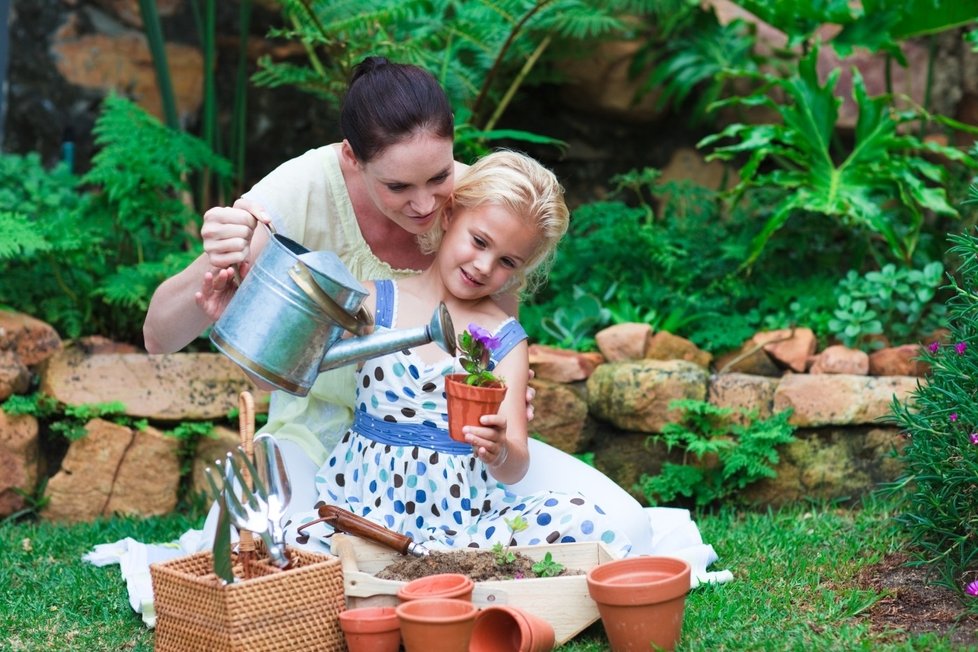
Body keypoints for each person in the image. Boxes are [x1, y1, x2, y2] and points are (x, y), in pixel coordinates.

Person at [142, 56, 703, 560]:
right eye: (398, 186)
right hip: (319, 441)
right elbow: (179, 342)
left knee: (627, 529)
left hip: (451, 470)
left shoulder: (481, 206)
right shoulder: (304, 190)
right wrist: (222, 280)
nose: (425, 204)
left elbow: (495, 345)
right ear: (352, 160)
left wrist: (503, 406)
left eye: (439, 177)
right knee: (257, 544)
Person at [287, 150, 632, 557]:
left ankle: (442, 570)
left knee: (582, 518)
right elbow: (299, 338)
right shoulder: (376, 300)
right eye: (479, 241)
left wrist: (500, 449)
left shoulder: (505, 340)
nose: (484, 266)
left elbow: (516, 463)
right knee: (284, 535)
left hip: (462, 527)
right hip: (361, 512)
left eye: (507, 261)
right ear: (449, 216)